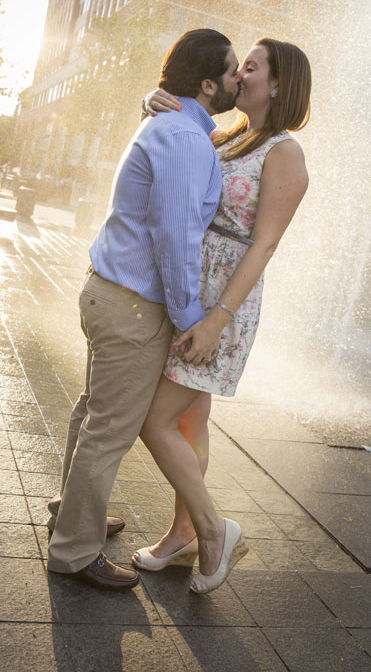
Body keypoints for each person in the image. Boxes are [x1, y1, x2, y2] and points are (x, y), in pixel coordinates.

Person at [46, 29, 241, 591]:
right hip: (133, 307)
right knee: (109, 429)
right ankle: (75, 551)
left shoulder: (173, 124)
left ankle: (72, 513)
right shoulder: (184, 138)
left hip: (110, 293)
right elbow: (175, 239)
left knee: (93, 414)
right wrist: (189, 319)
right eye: (232, 71)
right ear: (208, 84)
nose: (237, 79)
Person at [132, 38, 311, 594]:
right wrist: (151, 103)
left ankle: (214, 531)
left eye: (251, 67)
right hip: (193, 286)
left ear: (277, 84)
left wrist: (215, 320)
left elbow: (264, 245)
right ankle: (181, 534)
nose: (240, 74)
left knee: (154, 420)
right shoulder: (226, 135)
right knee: (190, 421)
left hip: (222, 301)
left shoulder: (284, 152)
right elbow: (174, 158)